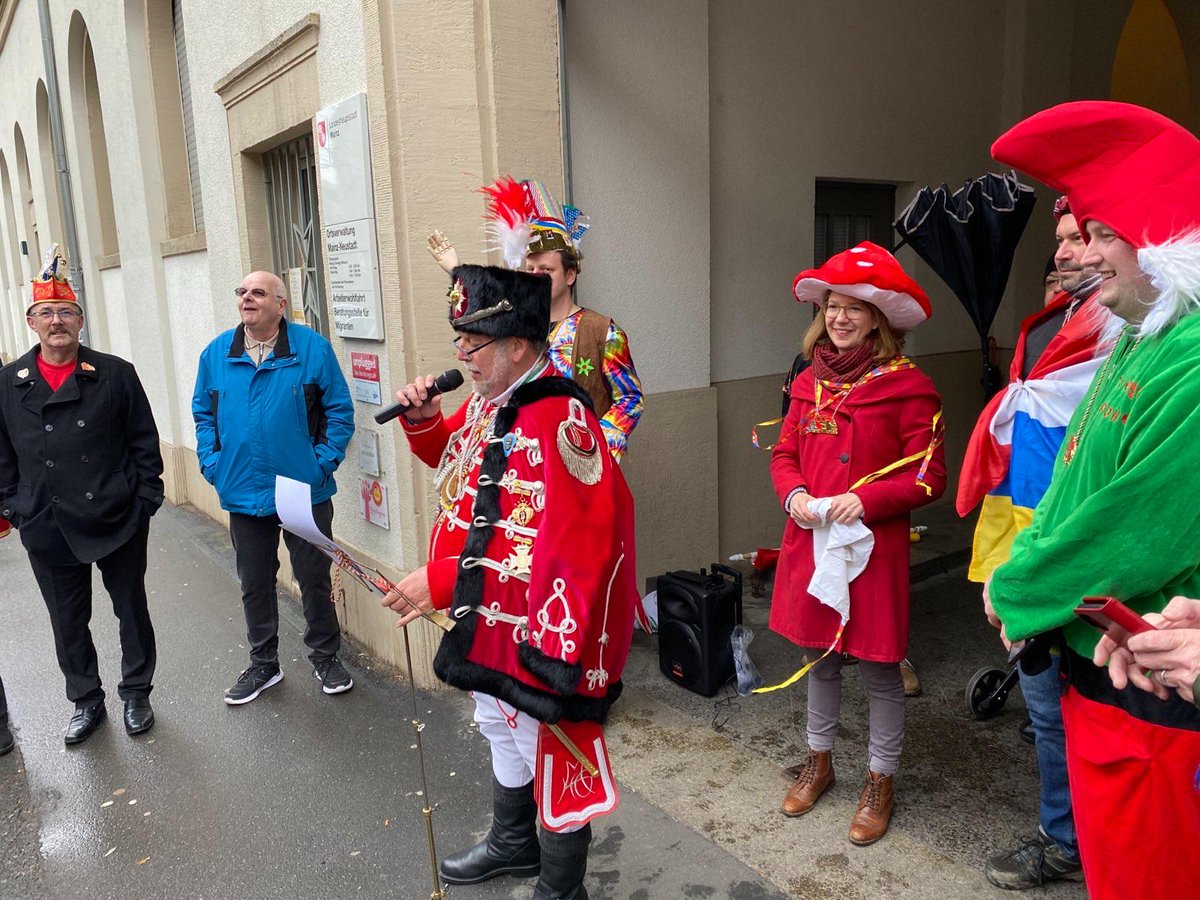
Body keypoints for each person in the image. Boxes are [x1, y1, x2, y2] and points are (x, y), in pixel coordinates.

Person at [985, 101, 1200, 899]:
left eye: (1107, 235)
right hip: (1102, 676)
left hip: (1153, 695)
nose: (1089, 255)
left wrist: (1020, 587)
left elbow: (1139, 526)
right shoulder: (1138, 339)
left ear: (1164, 243)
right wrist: (1028, 568)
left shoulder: (1191, 358)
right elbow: (1079, 485)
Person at [383, 263, 638, 900]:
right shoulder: (490, 402)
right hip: (491, 617)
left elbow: (569, 544)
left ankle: (561, 888)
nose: (462, 354)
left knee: (550, 747)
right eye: (460, 342)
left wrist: (444, 581)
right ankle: (512, 841)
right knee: (497, 721)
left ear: (519, 346)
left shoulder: (562, 418)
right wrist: (425, 419)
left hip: (543, 627)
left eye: (475, 343)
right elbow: (458, 466)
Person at [770, 242, 946, 845]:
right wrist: (793, 494)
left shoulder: (910, 386)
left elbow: (928, 474)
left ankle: (880, 780)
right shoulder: (806, 382)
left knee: (878, 670)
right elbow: (786, 453)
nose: (839, 318)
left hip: (873, 550)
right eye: (832, 307)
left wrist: (868, 500)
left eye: (853, 308)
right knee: (819, 658)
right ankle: (819, 763)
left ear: (879, 319)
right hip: (813, 542)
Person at [958, 197, 1109, 890]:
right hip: (1034, 541)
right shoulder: (1051, 324)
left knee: (1102, 716)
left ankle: (1088, 839)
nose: (1068, 253)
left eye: (1085, 237)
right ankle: (1066, 836)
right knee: (1048, 712)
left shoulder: (1136, 336)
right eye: (1064, 241)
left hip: (1091, 558)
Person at [0, 245, 164, 744]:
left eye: (65, 312)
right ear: (32, 322)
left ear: (80, 321)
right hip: (47, 524)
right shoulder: (8, 382)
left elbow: (144, 442)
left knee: (130, 609)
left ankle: (136, 691)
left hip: (116, 516)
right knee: (68, 621)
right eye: (46, 313)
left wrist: (144, 502)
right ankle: (86, 701)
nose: (57, 321)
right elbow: (2, 452)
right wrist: (15, 505)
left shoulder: (115, 373)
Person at [192, 271, 355, 705]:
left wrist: (319, 466)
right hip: (243, 490)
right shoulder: (216, 354)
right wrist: (214, 465)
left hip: (303, 490)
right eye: (242, 291)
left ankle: (325, 656)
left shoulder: (311, 349)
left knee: (314, 577)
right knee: (254, 581)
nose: (247, 298)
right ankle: (264, 663)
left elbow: (340, 412)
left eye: (258, 292)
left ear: (280, 305)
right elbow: (203, 415)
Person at [428, 176, 643, 461]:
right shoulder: (516, 330)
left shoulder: (602, 332)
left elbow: (629, 399)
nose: (535, 278)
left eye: (546, 271)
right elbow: (484, 308)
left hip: (579, 471)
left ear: (570, 275)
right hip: (522, 467)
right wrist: (456, 270)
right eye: (530, 269)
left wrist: (596, 448)